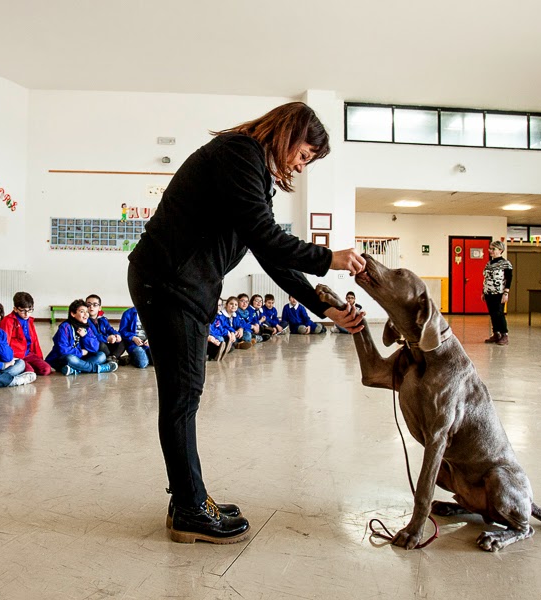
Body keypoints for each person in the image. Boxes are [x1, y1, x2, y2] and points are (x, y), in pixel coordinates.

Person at [127, 101, 365, 544]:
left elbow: (269, 251)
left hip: (181, 284)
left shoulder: (247, 165)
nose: (300, 163)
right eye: (304, 154)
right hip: (170, 283)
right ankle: (190, 509)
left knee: (185, 394)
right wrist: (326, 258)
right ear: (289, 133)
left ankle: (188, 499)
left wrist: (323, 305)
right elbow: (266, 235)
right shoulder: (239, 154)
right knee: (182, 396)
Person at [45, 299, 118, 375]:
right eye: (82, 312)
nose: (86, 315)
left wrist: (85, 336)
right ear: (73, 314)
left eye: (87, 312)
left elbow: (95, 347)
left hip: (80, 359)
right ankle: (98, 368)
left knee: (101, 356)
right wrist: (81, 352)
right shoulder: (65, 327)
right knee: (70, 359)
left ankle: (75, 369)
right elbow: (63, 350)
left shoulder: (87, 327)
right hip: (62, 358)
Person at [0, 291, 52, 376]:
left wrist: (40, 359)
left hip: (28, 354)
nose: (27, 314)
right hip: (15, 356)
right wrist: (8, 359)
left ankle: (27, 366)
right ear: (15, 309)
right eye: (23, 311)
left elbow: (35, 342)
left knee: (46, 369)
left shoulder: (29, 320)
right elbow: (4, 343)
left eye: (30, 310)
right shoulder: (8, 321)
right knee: (29, 372)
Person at [483, 240, 513, 345]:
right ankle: (496, 333)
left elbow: (509, 279)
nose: (490, 251)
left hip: (499, 293)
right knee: (492, 314)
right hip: (488, 292)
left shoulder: (505, 264)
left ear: (500, 250)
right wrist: (484, 291)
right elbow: (486, 279)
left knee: (499, 313)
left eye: (493, 249)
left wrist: (506, 293)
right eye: (490, 249)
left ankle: (505, 334)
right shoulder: (489, 264)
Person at [84, 294, 127, 364]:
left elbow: (110, 329)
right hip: (96, 345)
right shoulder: (85, 320)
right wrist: (107, 339)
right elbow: (94, 336)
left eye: (95, 305)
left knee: (123, 340)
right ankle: (115, 359)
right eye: (88, 305)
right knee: (100, 344)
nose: (91, 307)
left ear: (99, 308)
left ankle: (113, 358)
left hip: (107, 343)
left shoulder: (102, 319)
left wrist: (117, 335)